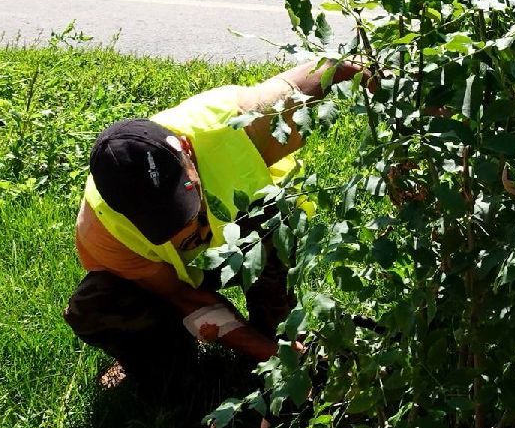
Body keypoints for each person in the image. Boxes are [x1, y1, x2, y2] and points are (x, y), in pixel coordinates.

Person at [64, 60, 364, 396]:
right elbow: (181, 295)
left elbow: (336, 68)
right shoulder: (104, 230)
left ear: (186, 150)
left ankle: (278, 330)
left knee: (269, 223)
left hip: (249, 235)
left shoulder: (243, 123)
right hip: (175, 275)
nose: (183, 227)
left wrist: (405, 122)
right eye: (159, 219)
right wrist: (272, 356)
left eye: (180, 200)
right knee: (95, 306)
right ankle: (169, 361)